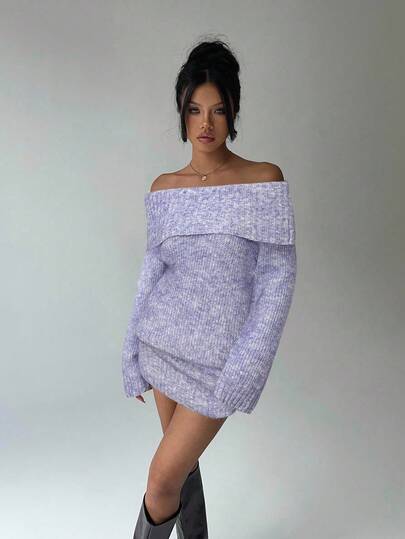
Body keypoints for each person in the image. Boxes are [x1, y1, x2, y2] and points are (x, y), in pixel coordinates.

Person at [121, 38, 298, 539]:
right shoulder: (164, 188)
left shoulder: (263, 181)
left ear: (233, 110)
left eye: (218, 110)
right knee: (180, 473)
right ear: (182, 113)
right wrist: (131, 353)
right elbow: (152, 273)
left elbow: (278, 281)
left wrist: (247, 366)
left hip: (217, 364)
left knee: (161, 480)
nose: (206, 123)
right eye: (195, 110)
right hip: (162, 348)